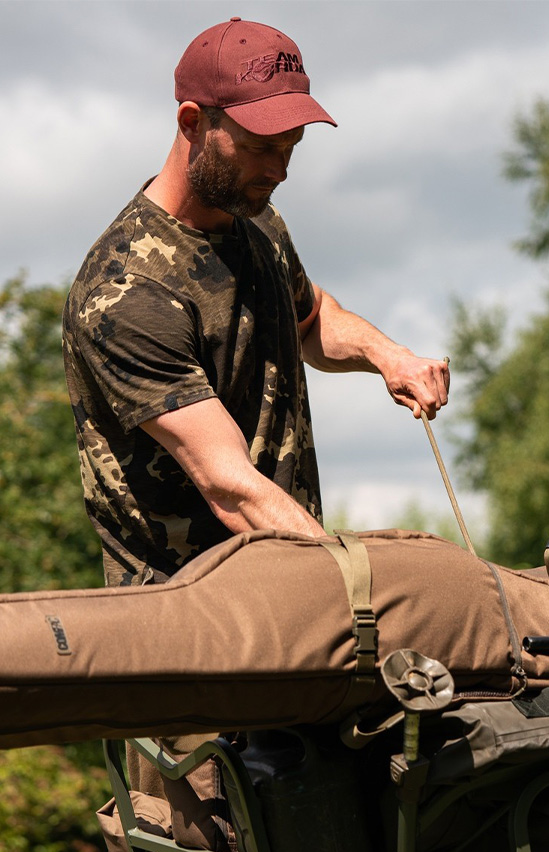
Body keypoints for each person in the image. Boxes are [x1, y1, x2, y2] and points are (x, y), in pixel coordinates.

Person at [63, 17, 450, 587]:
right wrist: (358, 585)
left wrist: (390, 358)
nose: (279, 170)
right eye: (260, 148)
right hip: (194, 618)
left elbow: (311, 320)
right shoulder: (126, 291)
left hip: (291, 581)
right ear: (193, 123)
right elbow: (229, 486)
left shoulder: (257, 222)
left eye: (291, 147)